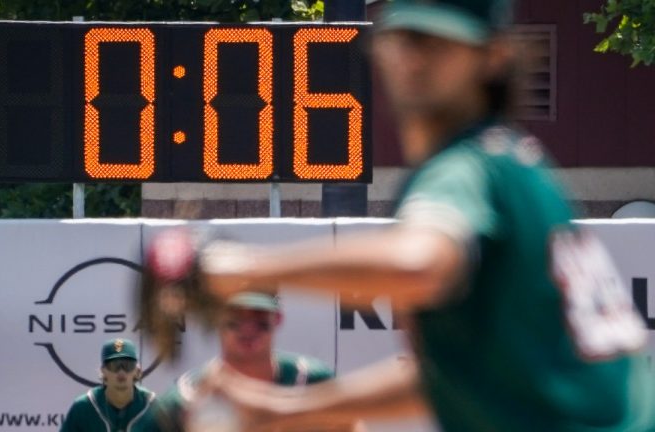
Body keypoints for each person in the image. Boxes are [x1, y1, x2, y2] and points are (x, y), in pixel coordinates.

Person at [186, 0, 655, 430]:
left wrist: (228, 267)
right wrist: (283, 410)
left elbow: (419, 265)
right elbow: (443, 380)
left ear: (492, 56)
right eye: (403, 38)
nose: (413, 58)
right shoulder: (517, 168)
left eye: (438, 43)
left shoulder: (465, 168)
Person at [151, 291, 351, 431]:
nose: (247, 329)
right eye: (235, 318)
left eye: (258, 318)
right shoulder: (182, 400)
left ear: (278, 318)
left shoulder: (314, 383)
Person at [60, 338, 160, 432]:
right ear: (103, 371)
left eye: (127, 365)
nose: (121, 372)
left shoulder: (152, 407)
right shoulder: (84, 407)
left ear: (137, 371)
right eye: (114, 366)